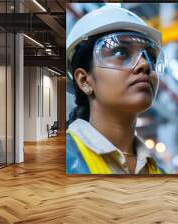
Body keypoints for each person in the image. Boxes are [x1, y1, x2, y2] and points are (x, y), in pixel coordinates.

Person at [66, 6, 165, 174]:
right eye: (121, 52)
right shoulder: (63, 158)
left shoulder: (158, 172)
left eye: (151, 57)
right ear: (84, 81)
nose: (145, 64)